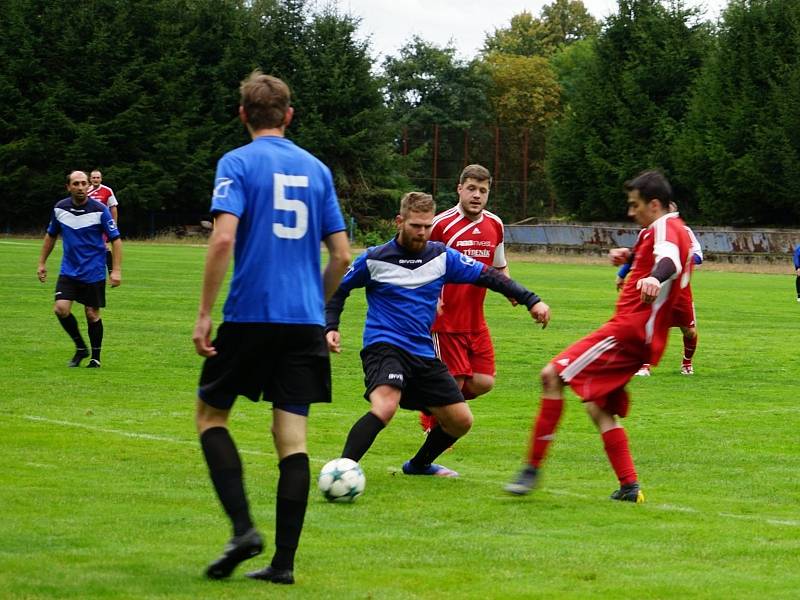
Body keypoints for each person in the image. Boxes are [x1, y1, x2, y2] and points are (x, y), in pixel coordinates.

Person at [192, 70, 351, 585]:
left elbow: (221, 241)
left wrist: (204, 313)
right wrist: (316, 302)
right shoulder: (317, 169)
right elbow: (343, 255)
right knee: (293, 439)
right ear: (288, 115)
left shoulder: (237, 163)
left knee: (212, 417)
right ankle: (283, 564)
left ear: (243, 115)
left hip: (250, 314)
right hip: (303, 321)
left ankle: (242, 530)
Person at [325, 192, 550, 479]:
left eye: (426, 226)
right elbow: (339, 290)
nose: (421, 232)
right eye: (415, 225)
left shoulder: (441, 257)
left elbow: (488, 276)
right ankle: (341, 471)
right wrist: (331, 326)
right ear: (399, 221)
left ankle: (419, 465)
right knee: (385, 406)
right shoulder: (374, 259)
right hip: (385, 347)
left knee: (460, 421)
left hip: (422, 353)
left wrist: (532, 300)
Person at [505, 170, 692, 502]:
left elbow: (670, 260)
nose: (630, 212)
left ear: (654, 204)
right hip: (644, 338)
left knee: (551, 376)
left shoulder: (666, 227)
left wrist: (653, 278)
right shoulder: (666, 228)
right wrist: (631, 258)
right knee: (597, 406)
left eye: (635, 205)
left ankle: (530, 469)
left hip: (628, 332)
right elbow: (660, 252)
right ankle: (629, 486)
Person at [418, 164, 511, 434]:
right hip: (445, 321)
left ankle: (432, 404)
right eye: (471, 188)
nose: (477, 195)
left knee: (483, 381)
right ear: (459, 189)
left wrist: (510, 289)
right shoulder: (440, 224)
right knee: (454, 383)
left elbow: (499, 265)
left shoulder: (495, 224)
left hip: (475, 320)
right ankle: (435, 431)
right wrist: (429, 295)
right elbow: (416, 263)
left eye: (483, 190)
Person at [37, 170, 122, 368]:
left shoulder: (100, 210)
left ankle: (95, 357)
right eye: (76, 184)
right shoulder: (60, 208)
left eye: (84, 183)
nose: (81, 187)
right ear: (68, 187)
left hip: (93, 271)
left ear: (89, 186)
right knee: (61, 309)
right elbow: (51, 235)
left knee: (92, 314)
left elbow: (116, 240)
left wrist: (115, 270)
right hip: (69, 270)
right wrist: (42, 262)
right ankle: (80, 348)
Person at [616, 201, 702, 376]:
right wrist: (622, 274)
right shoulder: (645, 232)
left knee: (689, 331)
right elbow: (636, 257)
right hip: (653, 286)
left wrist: (682, 260)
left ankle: (687, 363)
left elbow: (698, 256)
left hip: (679, 289)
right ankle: (644, 365)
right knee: (647, 325)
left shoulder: (683, 231)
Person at [87, 169, 119, 273]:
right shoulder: (86, 190)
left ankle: (111, 270)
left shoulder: (107, 190)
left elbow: (113, 208)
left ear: (101, 179)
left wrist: (114, 225)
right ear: (90, 179)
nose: (96, 179)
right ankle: (91, 269)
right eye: (94, 177)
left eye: (98, 177)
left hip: (102, 224)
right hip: (88, 225)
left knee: (105, 246)